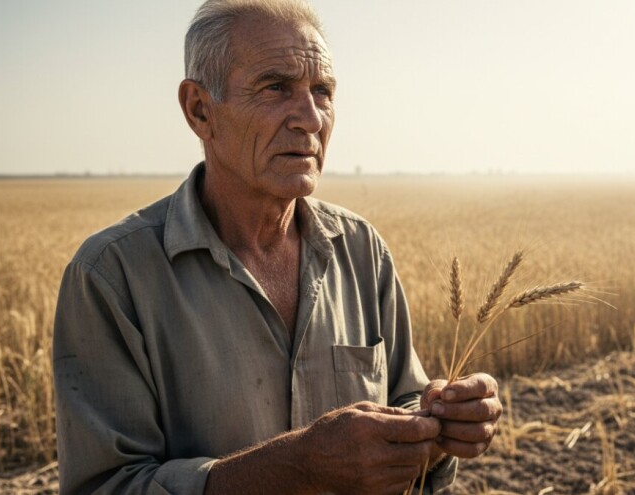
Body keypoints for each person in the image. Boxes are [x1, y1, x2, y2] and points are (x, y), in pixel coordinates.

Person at [52, 0, 502, 493]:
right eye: (276, 88)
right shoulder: (112, 277)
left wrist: (440, 425)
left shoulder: (361, 251)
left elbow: (405, 401)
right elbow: (105, 486)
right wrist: (296, 467)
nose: (310, 119)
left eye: (323, 92)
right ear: (200, 110)